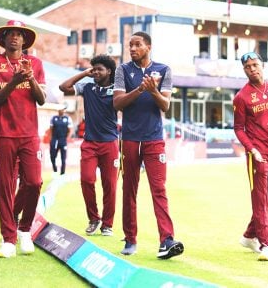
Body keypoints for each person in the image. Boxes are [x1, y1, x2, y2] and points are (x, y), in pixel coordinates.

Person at [113, 31, 184, 259]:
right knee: (129, 189)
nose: (132, 49)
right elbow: (118, 103)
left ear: (148, 47)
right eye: (130, 45)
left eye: (137, 45)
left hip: (154, 139)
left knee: (159, 189)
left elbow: (165, 106)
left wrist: (153, 90)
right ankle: (130, 239)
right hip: (131, 138)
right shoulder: (122, 70)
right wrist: (140, 89)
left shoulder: (164, 70)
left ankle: (167, 240)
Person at [0, 20, 46, 258]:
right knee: (5, 187)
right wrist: (13, 81)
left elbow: (41, 99)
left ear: (24, 40)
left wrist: (29, 78)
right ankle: (8, 239)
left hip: (29, 133)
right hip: (4, 133)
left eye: (18, 34)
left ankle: (23, 228)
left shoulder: (36, 63)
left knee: (34, 182)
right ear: (3, 39)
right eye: (10, 34)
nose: (14, 37)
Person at [233, 52, 268, 261]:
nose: (252, 69)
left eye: (255, 64)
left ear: (263, 65)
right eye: (247, 67)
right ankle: (267, 245)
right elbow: (238, 128)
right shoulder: (242, 97)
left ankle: (249, 235)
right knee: (260, 198)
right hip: (257, 153)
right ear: (244, 70)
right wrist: (251, 149)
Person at [59, 54, 119, 237]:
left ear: (109, 71)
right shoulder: (88, 87)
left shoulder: (118, 89)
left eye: (100, 69)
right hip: (90, 144)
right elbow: (64, 87)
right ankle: (94, 219)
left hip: (110, 143)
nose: (96, 72)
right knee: (86, 179)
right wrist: (84, 73)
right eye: (94, 69)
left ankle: (107, 224)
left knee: (110, 186)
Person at [49, 106, 73, 175]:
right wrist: (51, 139)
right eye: (60, 109)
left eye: (62, 109)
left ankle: (62, 172)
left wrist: (67, 138)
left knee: (63, 157)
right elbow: (50, 129)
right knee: (52, 155)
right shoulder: (53, 118)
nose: (61, 110)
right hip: (55, 139)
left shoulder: (67, 118)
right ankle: (54, 168)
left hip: (63, 139)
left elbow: (70, 130)